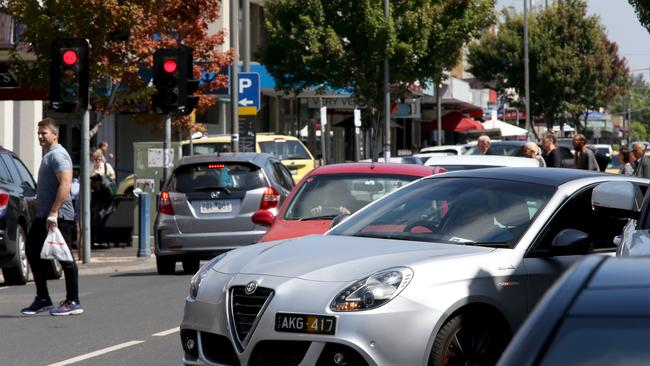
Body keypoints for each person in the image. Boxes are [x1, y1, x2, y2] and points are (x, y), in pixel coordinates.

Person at [21, 118, 83, 316]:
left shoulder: (58, 156)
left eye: (44, 133)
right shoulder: (49, 155)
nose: (40, 136)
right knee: (31, 250)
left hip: (58, 216)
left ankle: (73, 300)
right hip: (44, 216)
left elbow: (65, 184)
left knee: (64, 257)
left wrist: (54, 212)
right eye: (38, 133)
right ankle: (43, 299)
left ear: (55, 134)